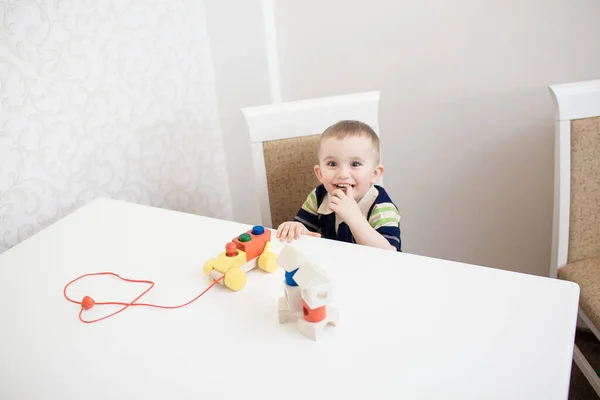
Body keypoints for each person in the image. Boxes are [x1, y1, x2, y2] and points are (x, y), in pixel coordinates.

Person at [276, 120, 402, 251]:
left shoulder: (381, 207)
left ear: (374, 174)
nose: (343, 174)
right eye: (332, 164)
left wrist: (354, 218)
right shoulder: (319, 196)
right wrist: (296, 229)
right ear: (320, 174)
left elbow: (389, 254)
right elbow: (304, 229)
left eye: (355, 164)